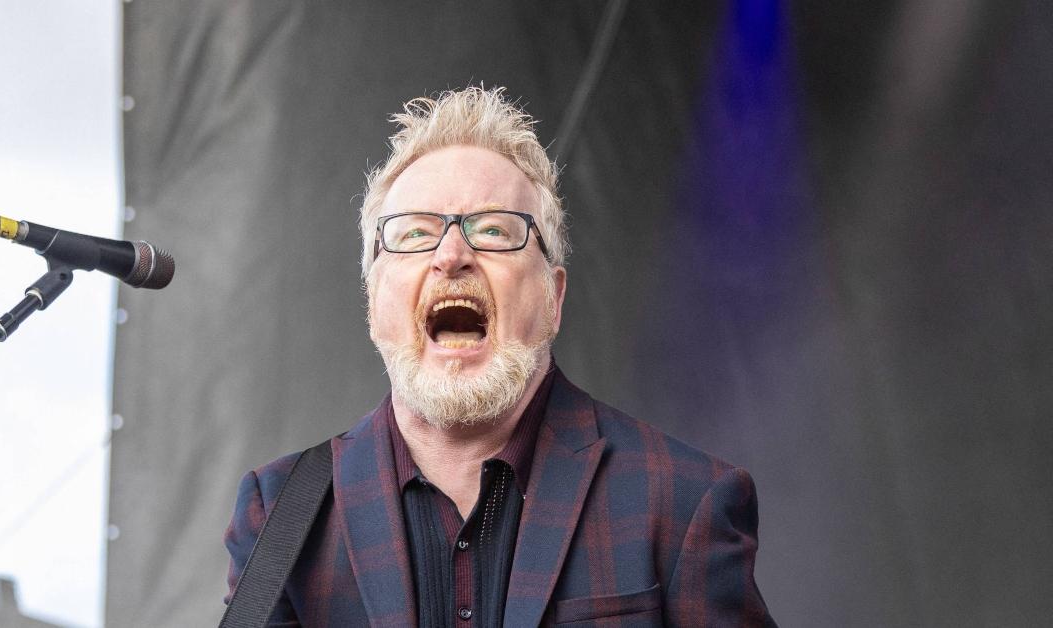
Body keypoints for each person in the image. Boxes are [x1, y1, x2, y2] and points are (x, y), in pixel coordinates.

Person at [224, 86, 775, 627]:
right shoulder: (280, 515)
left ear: (553, 297)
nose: (451, 255)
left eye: (493, 231)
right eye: (415, 234)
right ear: (373, 299)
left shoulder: (684, 500)